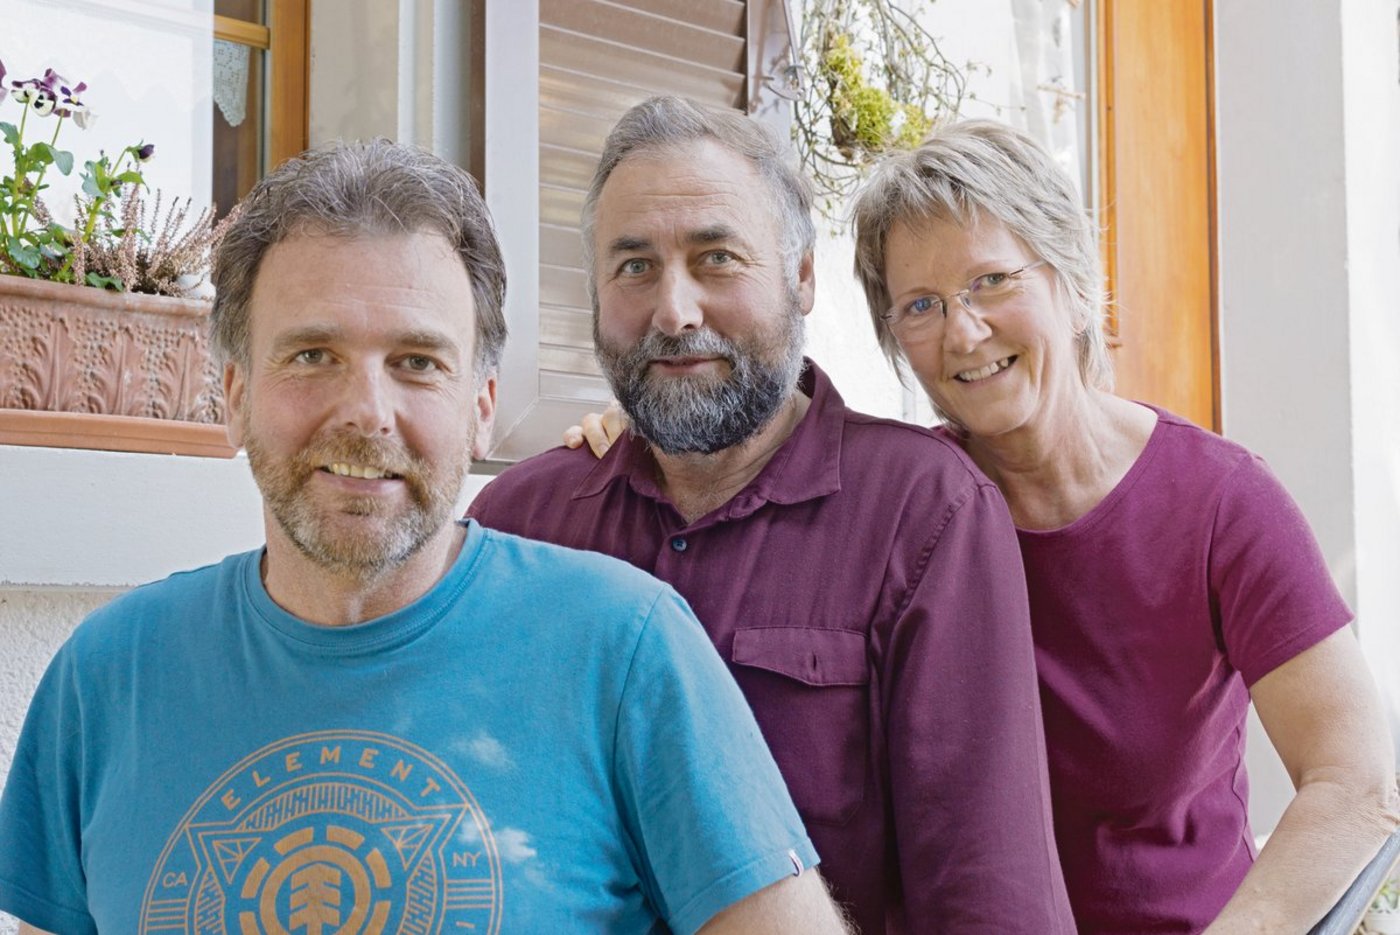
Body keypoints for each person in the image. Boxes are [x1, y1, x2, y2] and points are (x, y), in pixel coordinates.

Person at [0, 140, 852, 935]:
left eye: (417, 362)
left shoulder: (624, 650)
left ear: (481, 405)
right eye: (311, 356)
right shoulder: (107, 677)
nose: (367, 411)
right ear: (232, 394)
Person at [467, 96, 1075, 934]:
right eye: (634, 267)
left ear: (801, 279)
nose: (674, 311)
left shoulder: (925, 514)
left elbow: (989, 902)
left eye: (715, 258)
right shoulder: (518, 525)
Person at [842, 120, 1398, 932]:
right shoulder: (897, 505)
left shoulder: (1219, 503)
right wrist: (621, 441)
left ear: (1069, 280)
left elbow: (1357, 780)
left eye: (991, 280)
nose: (963, 331)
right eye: (922, 305)